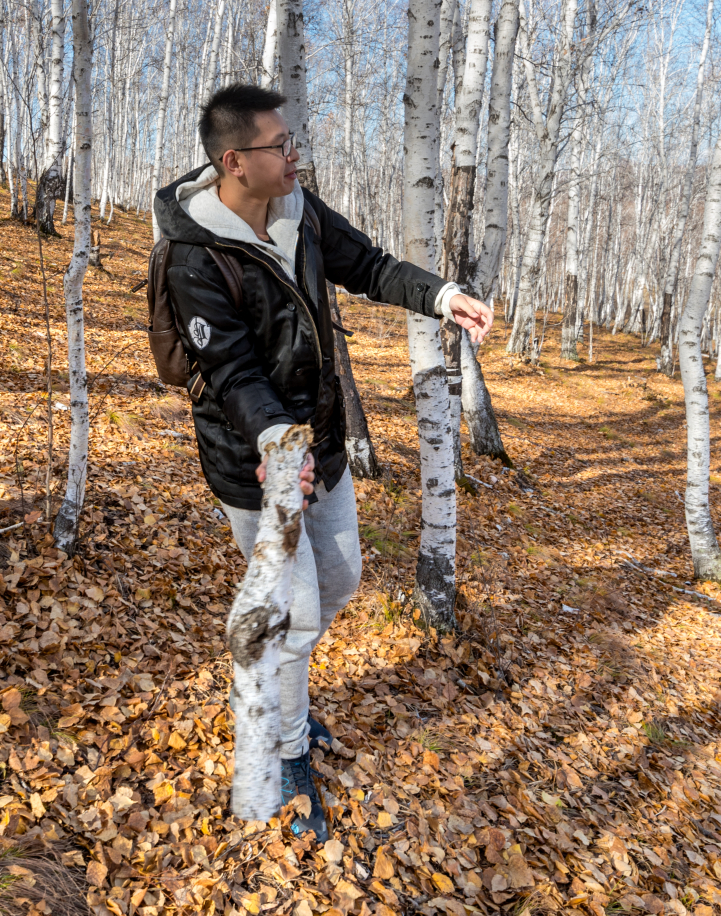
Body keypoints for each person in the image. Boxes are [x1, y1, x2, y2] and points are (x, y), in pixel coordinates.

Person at [152, 83, 493, 841]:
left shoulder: (299, 213)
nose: (294, 155)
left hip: (323, 442)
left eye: (292, 141)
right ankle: (278, 754)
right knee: (293, 615)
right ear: (235, 160)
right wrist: (277, 448)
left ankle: (283, 699)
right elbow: (232, 375)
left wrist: (439, 296)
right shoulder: (191, 252)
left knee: (337, 581)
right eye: (280, 146)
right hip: (255, 462)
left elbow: (367, 265)